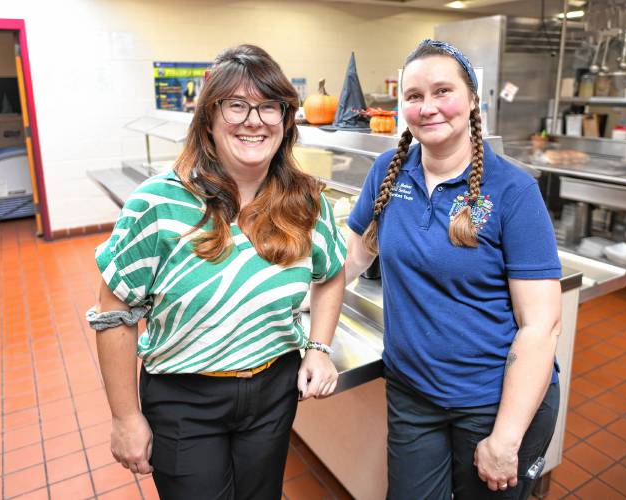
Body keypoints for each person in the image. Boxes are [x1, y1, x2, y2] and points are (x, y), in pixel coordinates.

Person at [88, 44, 346, 500]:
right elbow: (114, 314)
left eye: (271, 106)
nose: (255, 119)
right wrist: (126, 418)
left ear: (287, 121)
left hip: (273, 391)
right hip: (184, 398)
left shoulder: (305, 201)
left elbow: (331, 274)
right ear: (209, 117)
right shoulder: (157, 204)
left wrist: (319, 348)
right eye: (237, 105)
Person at [345, 39, 562, 499]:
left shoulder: (513, 191)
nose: (428, 108)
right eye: (414, 96)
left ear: (472, 100)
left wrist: (505, 438)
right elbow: (354, 256)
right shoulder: (389, 171)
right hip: (411, 393)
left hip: (492, 400)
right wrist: (294, 300)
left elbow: (540, 326)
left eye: (443, 91)